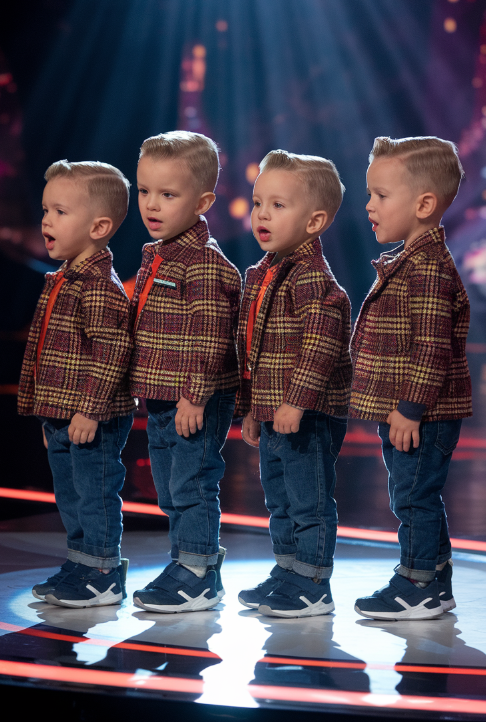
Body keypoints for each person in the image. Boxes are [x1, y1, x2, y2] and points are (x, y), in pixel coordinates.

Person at [351, 136, 472, 620]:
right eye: (370, 194)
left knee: (413, 495)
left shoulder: (427, 270)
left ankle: (418, 581)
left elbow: (431, 348)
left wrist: (410, 408)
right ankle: (433, 576)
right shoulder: (411, 262)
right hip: (410, 409)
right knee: (415, 491)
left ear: (423, 204)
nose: (369, 205)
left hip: (423, 413)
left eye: (381, 195)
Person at [236, 150, 352, 618]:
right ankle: (287, 569)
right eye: (258, 202)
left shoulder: (312, 279)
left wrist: (296, 404)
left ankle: (312, 581)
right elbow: (253, 349)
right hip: (272, 410)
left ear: (314, 220)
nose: (262, 214)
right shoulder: (265, 272)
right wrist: (251, 408)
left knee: (308, 499)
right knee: (278, 495)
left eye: (278, 205)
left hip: (306, 414)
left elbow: (320, 349)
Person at [130, 131, 241, 613]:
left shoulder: (204, 264)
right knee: (169, 488)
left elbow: (211, 336)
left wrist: (194, 396)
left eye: (168, 195)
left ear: (203, 202)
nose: (151, 204)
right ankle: (186, 561)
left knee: (191, 483)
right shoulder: (157, 254)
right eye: (144, 191)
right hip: (160, 396)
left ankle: (197, 570)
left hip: (191, 400)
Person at [18, 160, 135, 607]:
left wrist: (89, 410)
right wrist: (49, 415)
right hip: (63, 414)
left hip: (92, 415)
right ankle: (81, 559)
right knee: (70, 494)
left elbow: (111, 352)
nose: (47, 220)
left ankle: (102, 570)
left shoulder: (99, 286)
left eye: (60, 212)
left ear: (98, 226)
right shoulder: (63, 280)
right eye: (46, 210)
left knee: (94, 492)